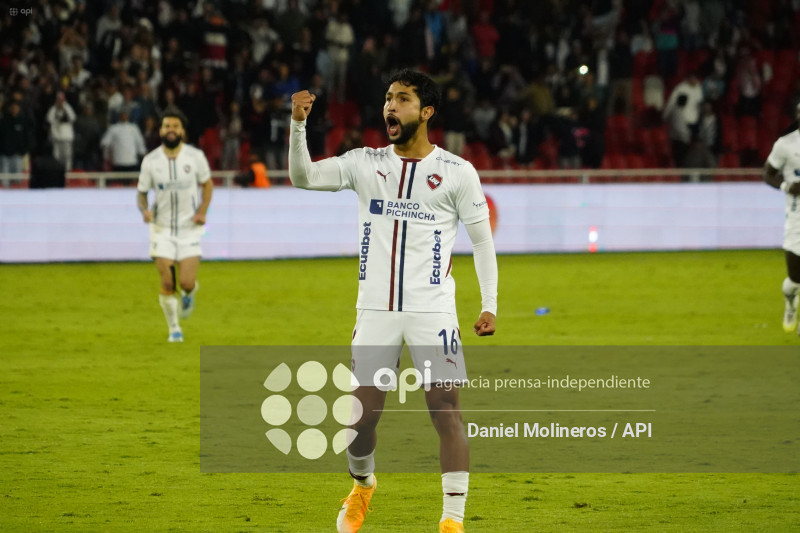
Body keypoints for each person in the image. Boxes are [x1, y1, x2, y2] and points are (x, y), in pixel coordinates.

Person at [289, 69, 498, 533]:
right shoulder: (365, 163)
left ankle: (452, 521)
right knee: (360, 421)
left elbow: (482, 242)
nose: (389, 106)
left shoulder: (458, 173)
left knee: (445, 407)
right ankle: (363, 485)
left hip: (434, 311)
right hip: (376, 312)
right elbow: (302, 176)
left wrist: (490, 304)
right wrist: (299, 125)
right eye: (387, 98)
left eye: (401, 99)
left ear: (426, 112)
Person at [136, 109, 213, 342]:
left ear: (182, 131)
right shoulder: (150, 161)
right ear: (160, 130)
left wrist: (202, 211)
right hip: (161, 229)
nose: (171, 130)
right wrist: (144, 210)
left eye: (175, 126)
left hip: (189, 228)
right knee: (168, 281)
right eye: (167, 126)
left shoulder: (195, 157)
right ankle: (174, 329)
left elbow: (207, 185)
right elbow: (141, 193)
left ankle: (189, 293)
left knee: (187, 282)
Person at [763, 102, 800, 335]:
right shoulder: (785, 145)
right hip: (797, 220)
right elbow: (767, 173)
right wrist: (787, 185)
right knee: (795, 279)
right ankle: (790, 302)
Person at [46, 91, 77, 171]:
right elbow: (49, 119)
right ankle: (56, 170)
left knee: (67, 155)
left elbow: (73, 118)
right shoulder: (53, 108)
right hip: (56, 137)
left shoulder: (68, 107)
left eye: (61, 100)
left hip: (66, 137)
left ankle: (67, 171)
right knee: (56, 156)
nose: (60, 101)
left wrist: (65, 108)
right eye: (58, 100)